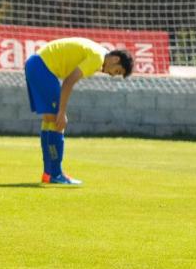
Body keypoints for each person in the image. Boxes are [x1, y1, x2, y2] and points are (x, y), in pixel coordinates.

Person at [24, 37, 134, 185]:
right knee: (57, 121)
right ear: (115, 59)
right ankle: (55, 174)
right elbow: (69, 81)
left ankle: (48, 173)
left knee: (50, 119)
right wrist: (62, 112)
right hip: (43, 67)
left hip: (36, 64)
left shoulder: (99, 54)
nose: (113, 74)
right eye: (117, 71)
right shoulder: (97, 58)